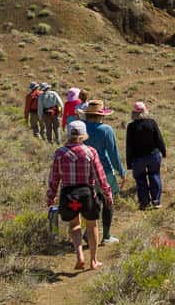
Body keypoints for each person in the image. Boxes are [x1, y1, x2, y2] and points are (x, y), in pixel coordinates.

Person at [46, 120, 113, 271]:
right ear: (83, 135)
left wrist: (51, 195)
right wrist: (107, 193)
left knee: (74, 225)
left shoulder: (59, 153)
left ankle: (79, 256)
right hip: (87, 194)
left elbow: (54, 177)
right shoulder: (90, 152)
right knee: (92, 225)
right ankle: (93, 260)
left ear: (68, 134)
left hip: (68, 195)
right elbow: (100, 176)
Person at [83, 100, 124, 244]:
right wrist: (121, 171)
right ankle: (106, 236)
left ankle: (88, 233)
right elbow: (113, 153)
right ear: (101, 115)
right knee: (107, 201)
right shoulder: (106, 129)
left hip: (84, 172)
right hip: (104, 171)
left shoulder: (81, 127)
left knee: (93, 202)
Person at [126, 102, 167, 210]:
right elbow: (159, 139)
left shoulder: (131, 126)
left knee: (140, 179)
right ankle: (156, 201)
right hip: (153, 155)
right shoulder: (152, 123)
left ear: (134, 113)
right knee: (154, 176)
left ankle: (144, 202)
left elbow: (129, 146)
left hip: (138, 158)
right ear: (145, 111)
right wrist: (163, 151)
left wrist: (129, 163)